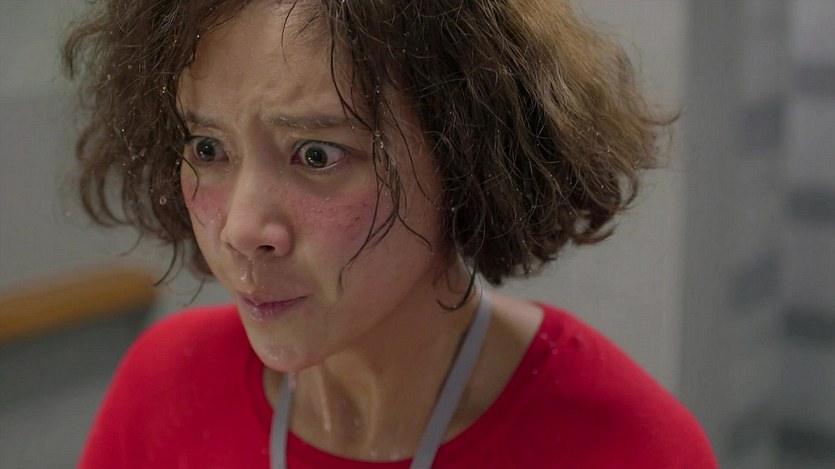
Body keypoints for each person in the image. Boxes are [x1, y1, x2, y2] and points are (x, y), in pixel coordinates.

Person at [65, 0, 717, 467]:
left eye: (316, 154)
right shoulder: (165, 387)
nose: (241, 228)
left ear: (466, 157)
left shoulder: (627, 446)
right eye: (207, 148)